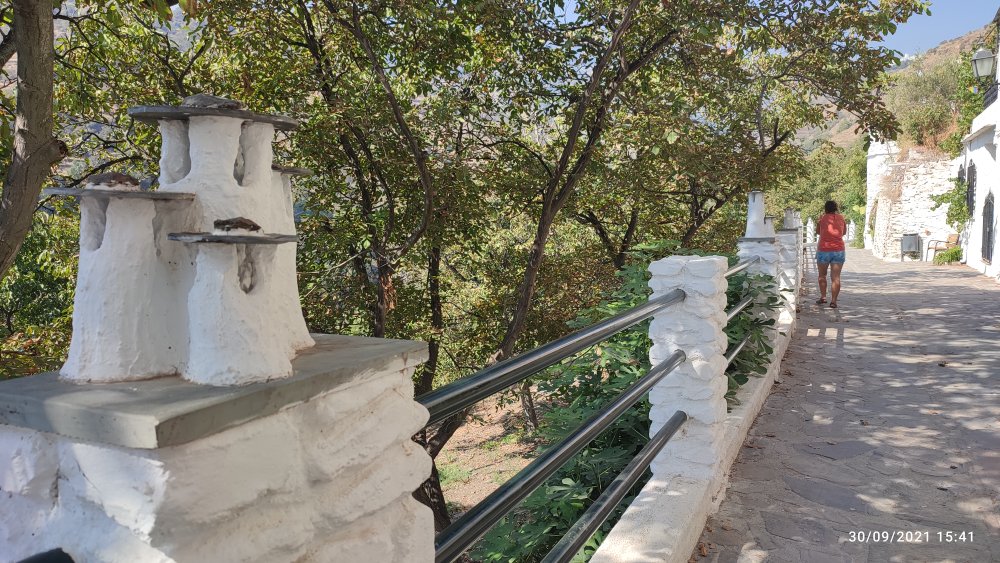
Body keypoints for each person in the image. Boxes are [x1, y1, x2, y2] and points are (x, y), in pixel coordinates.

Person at [815, 200, 846, 308]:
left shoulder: (822, 218)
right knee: (836, 277)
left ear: (826, 208)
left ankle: (823, 297)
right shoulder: (841, 218)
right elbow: (844, 232)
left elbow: (818, 232)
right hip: (839, 250)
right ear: (835, 208)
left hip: (824, 250)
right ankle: (833, 301)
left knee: (822, 275)